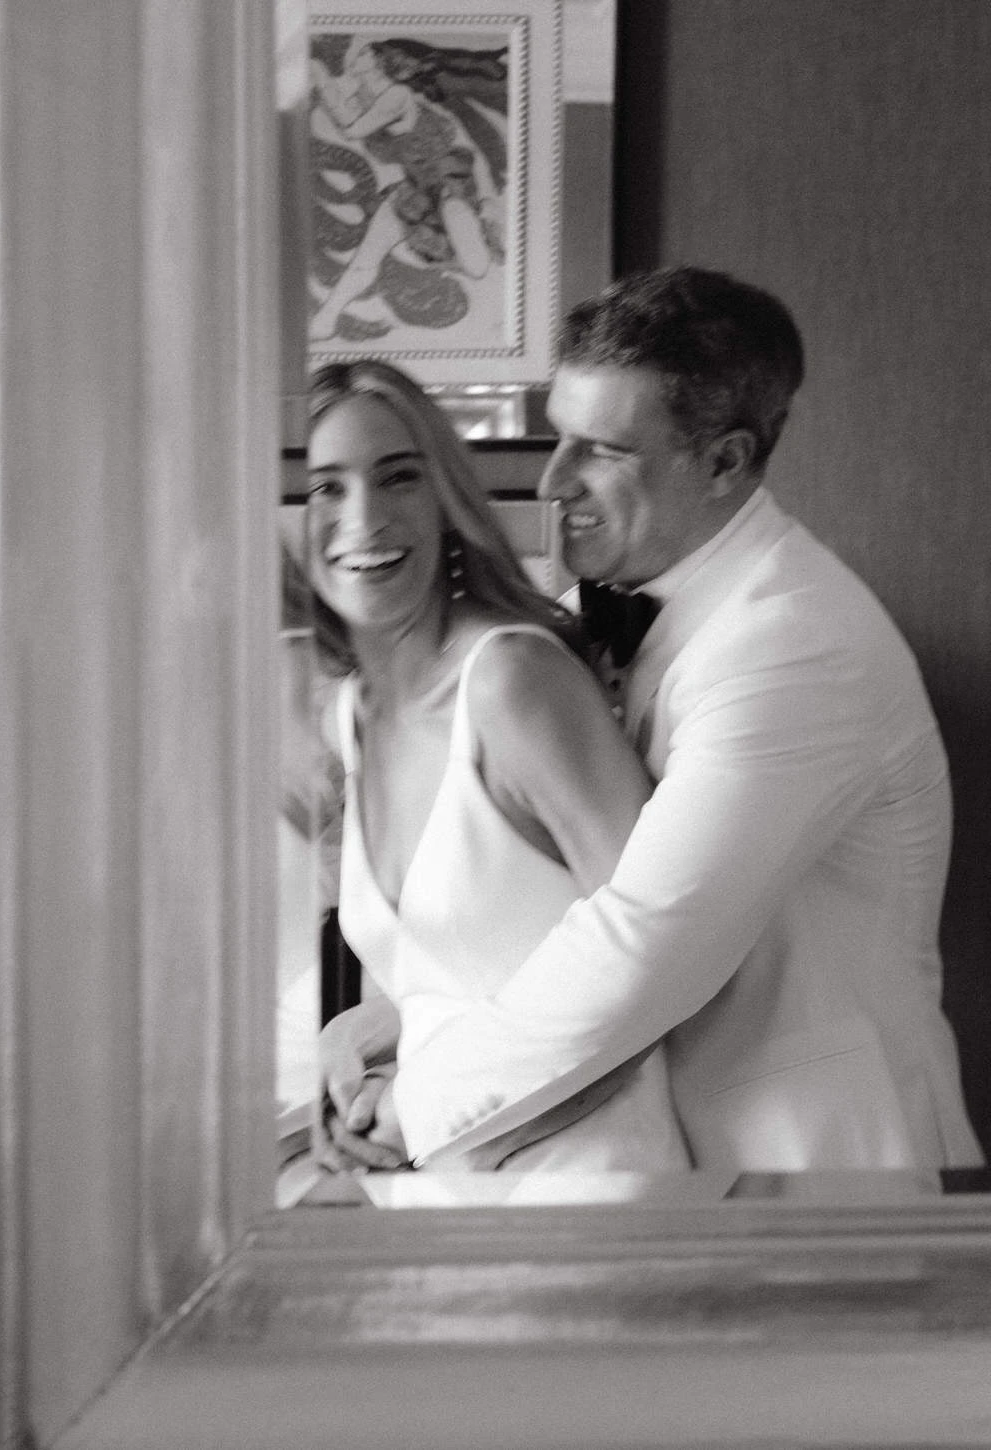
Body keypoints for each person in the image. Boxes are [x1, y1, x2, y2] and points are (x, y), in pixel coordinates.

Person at [340, 266, 984, 1174]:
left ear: (724, 461)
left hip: (821, 1170)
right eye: (557, 436)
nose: (554, 480)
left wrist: (419, 1107)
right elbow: (533, 919)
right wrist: (383, 1029)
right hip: (654, 1165)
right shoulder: (589, 614)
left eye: (602, 449)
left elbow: (646, 941)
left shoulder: (795, 647)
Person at [306, 358, 690, 1174]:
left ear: (447, 501)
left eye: (398, 477)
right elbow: (452, 978)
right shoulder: (351, 715)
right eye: (327, 488)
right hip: (441, 1182)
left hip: (591, 1182)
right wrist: (357, 1046)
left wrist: (436, 1122)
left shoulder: (515, 682)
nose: (363, 518)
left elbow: (661, 964)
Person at [308, 37, 505, 342]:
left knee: (477, 267)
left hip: (448, 185)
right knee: (366, 257)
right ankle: (327, 317)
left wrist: (321, 77)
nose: (354, 57)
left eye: (362, 53)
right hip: (414, 189)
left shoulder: (397, 95)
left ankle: (454, 249)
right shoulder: (366, 99)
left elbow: (351, 128)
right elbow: (348, 121)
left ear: (377, 63)